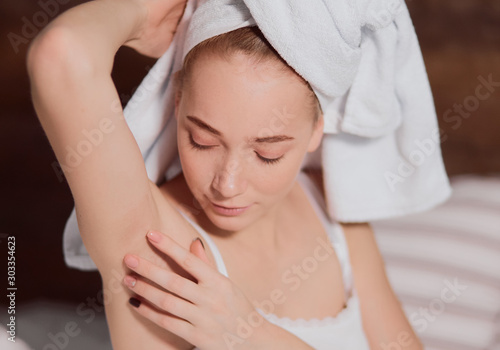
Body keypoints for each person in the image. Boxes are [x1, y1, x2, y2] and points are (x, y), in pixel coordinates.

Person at [27, 0, 423, 348]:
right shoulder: (155, 241)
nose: (227, 185)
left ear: (317, 128)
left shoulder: (333, 215)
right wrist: (144, 12)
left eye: (268, 153)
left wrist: (250, 336)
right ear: (178, 101)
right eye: (202, 140)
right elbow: (61, 55)